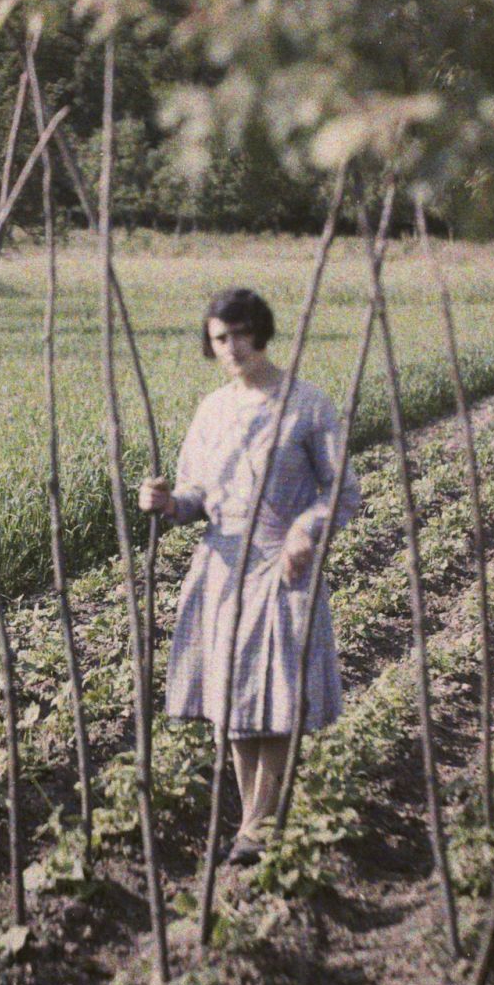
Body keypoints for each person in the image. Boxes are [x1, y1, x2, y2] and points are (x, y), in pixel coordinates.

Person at [139, 288, 360, 867]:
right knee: (235, 699)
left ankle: (259, 825)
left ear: (261, 333)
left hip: (283, 567)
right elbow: (193, 497)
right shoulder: (212, 411)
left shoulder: (308, 406)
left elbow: (342, 491)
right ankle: (253, 820)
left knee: (280, 694)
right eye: (220, 338)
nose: (232, 347)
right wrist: (164, 502)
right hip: (222, 568)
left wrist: (305, 531)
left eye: (240, 334)